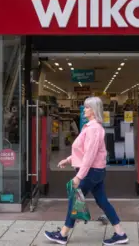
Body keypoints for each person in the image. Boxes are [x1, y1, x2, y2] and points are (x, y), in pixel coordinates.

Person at [44, 96, 128, 245]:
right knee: (102, 201)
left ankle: (63, 234)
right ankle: (120, 233)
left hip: (91, 172)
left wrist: (79, 176)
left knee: (74, 198)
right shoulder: (90, 127)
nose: (84, 109)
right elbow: (83, 150)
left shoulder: (94, 129)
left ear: (94, 110)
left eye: (87, 107)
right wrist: (69, 159)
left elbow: (89, 155)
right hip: (95, 171)